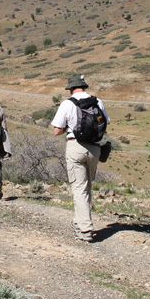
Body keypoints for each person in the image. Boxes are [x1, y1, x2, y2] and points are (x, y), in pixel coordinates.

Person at [51, 75, 108, 242]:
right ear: (84, 87)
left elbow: (57, 131)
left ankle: (85, 229)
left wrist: (69, 127)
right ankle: (78, 221)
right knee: (86, 187)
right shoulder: (98, 102)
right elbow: (105, 122)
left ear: (71, 88)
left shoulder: (68, 103)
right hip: (95, 148)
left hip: (76, 147)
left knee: (78, 188)